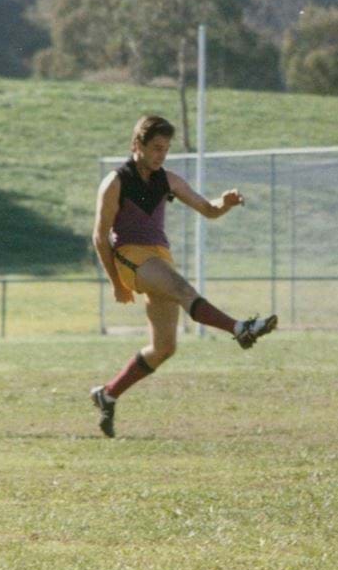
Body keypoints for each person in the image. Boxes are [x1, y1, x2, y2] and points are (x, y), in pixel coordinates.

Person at [89, 115, 277, 438]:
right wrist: (116, 282)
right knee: (181, 287)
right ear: (137, 145)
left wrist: (225, 203)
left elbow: (208, 209)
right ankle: (240, 328)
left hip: (158, 258)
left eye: (166, 149)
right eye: (156, 148)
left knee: (164, 348)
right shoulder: (115, 182)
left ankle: (108, 394)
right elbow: (99, 236)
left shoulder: (168, 180)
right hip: (130, 258)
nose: (161, 155)